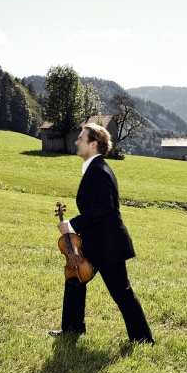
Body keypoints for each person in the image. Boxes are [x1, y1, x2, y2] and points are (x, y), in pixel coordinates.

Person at [51, 123, 154, 344]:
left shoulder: (98, 170)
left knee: (121, 292)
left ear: (93, 143)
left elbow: (103, 207)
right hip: (97, 240)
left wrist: (73, 225)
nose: (77, 142)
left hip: (109, 245)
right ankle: (72, 328)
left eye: (81, 138)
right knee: (75, 278)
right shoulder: (95, 168)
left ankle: (143, 340)